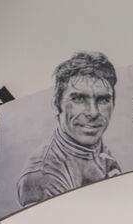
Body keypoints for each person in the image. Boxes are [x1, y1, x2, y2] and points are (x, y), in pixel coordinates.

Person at [18, 52, 121, 207]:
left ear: (113, 103)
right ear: (56, 104)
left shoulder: (95, 146)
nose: (93, 112)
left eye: (103, 100)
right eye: (79, 99)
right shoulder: (43, 176)